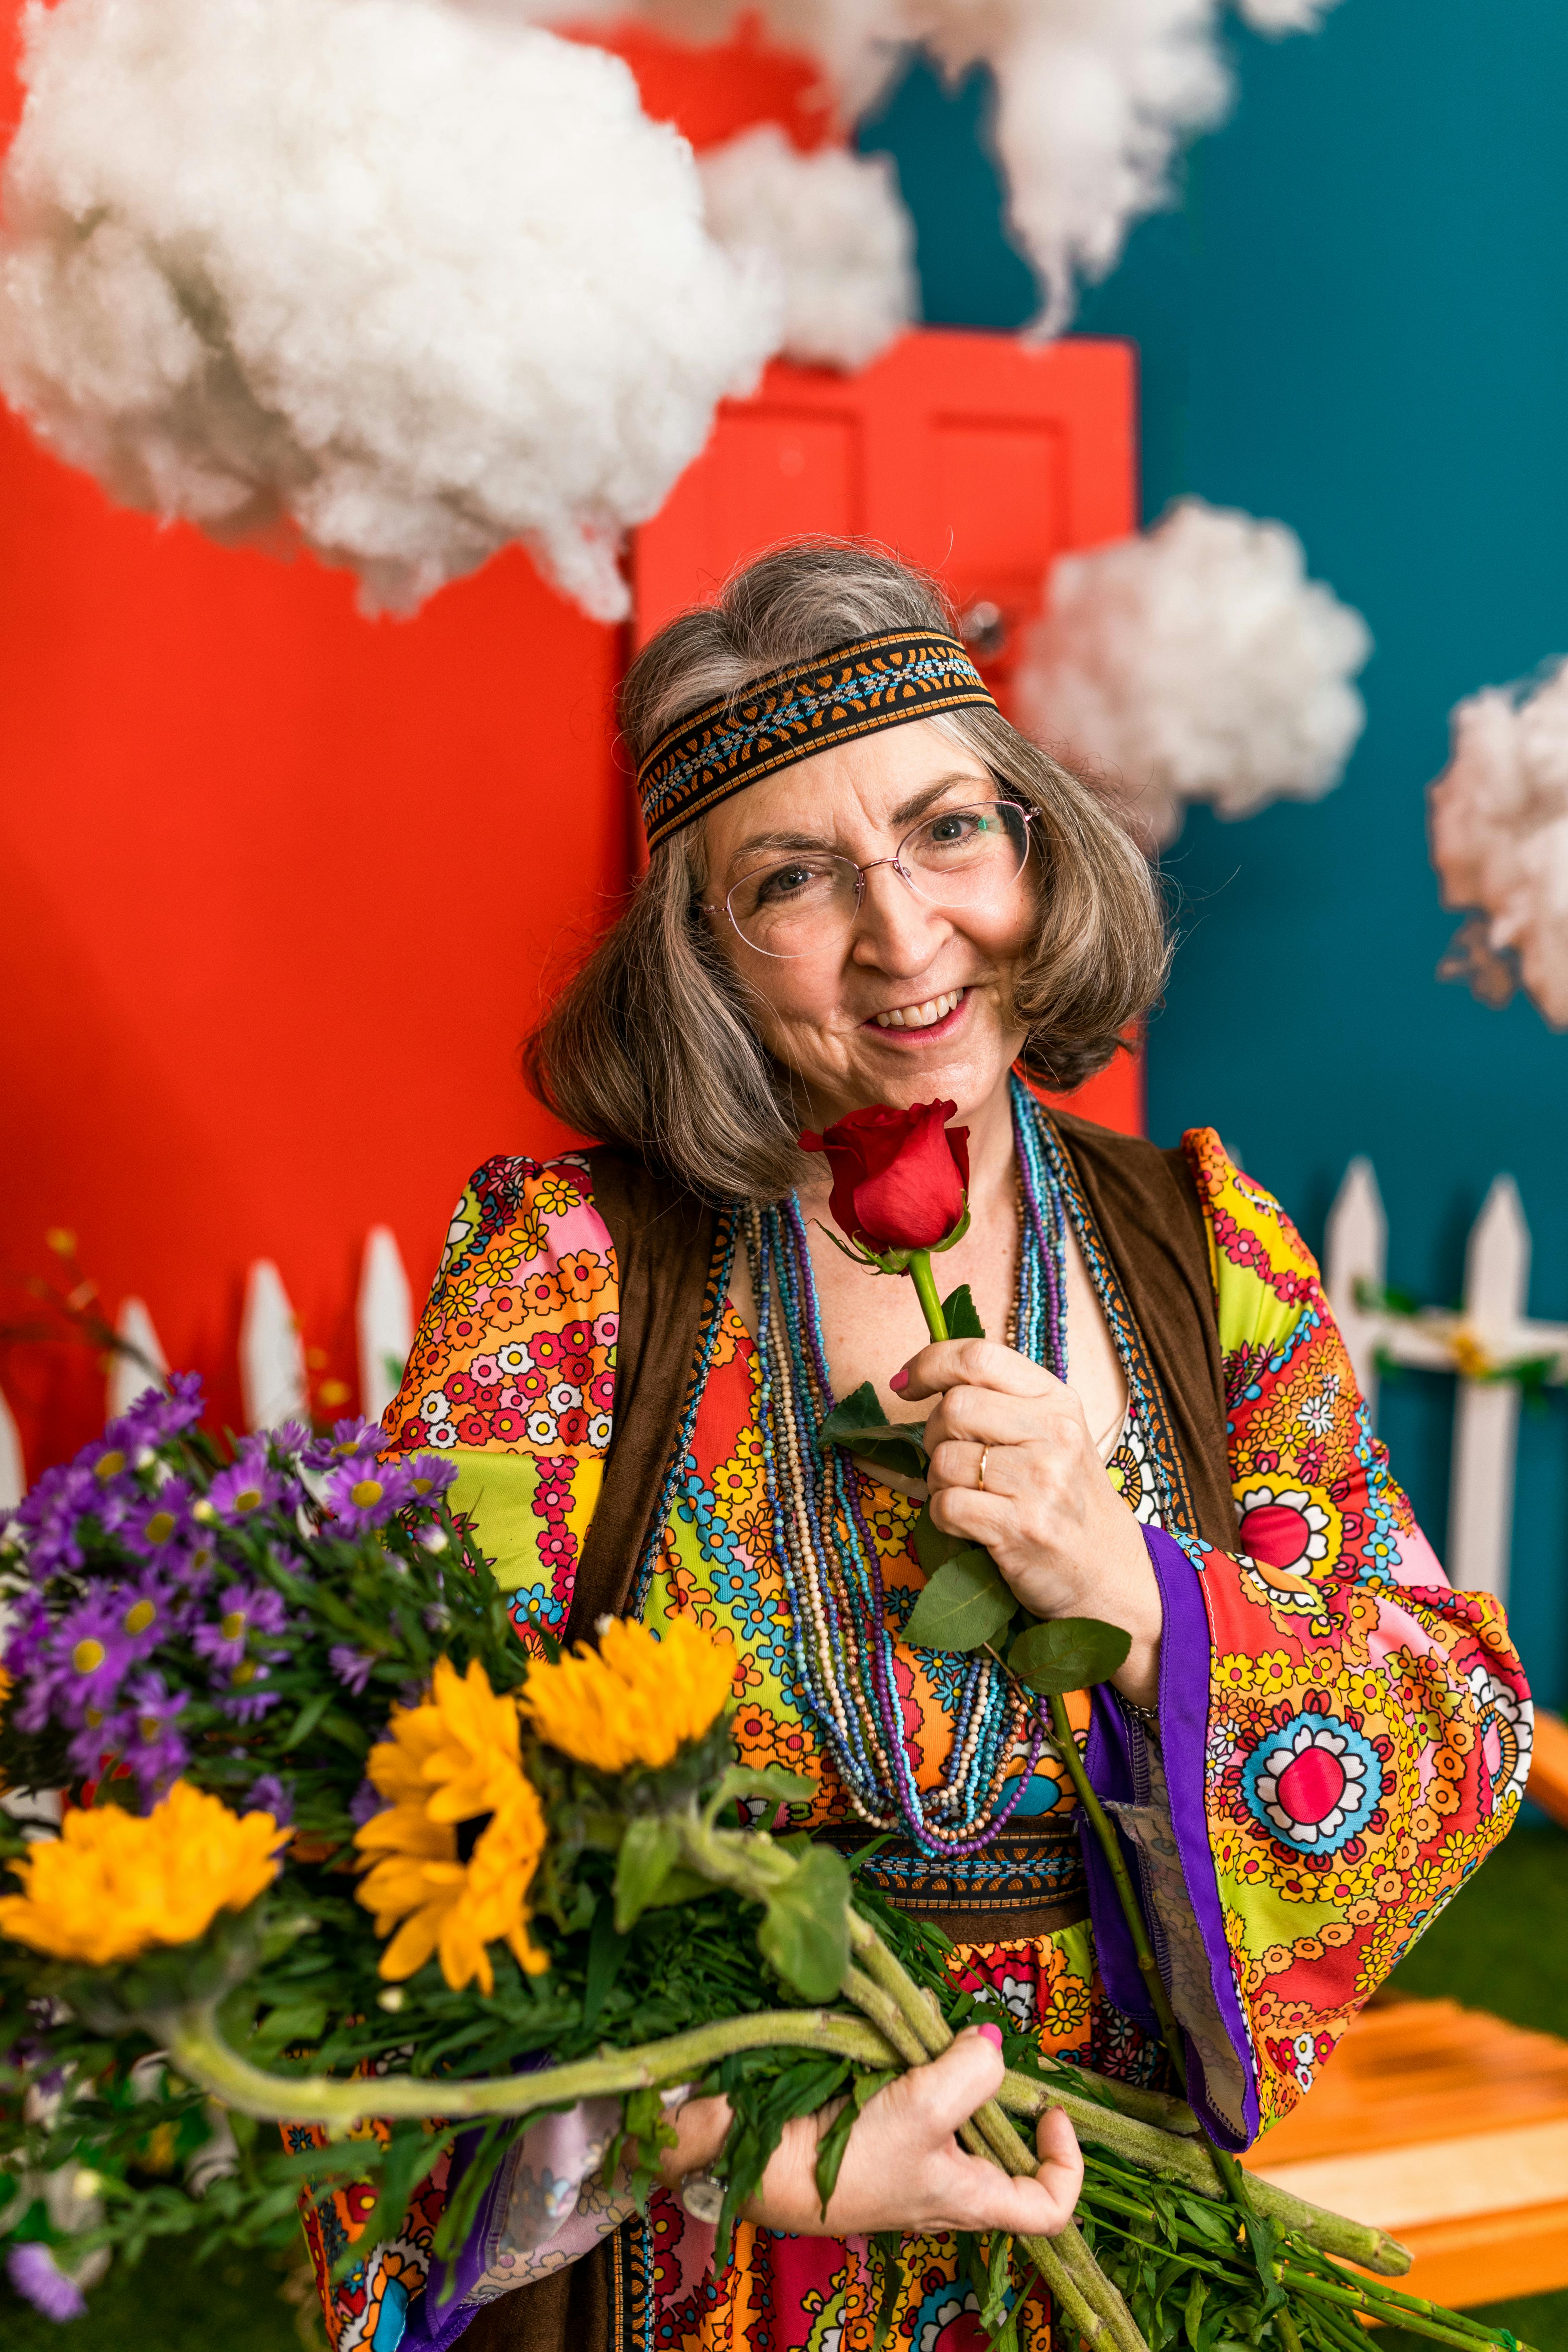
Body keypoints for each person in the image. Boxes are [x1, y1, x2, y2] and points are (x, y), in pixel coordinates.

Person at [301, 541, 1531, 2352]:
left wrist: (1133, 1588)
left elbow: (1455, 1717)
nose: (903, 934)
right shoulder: (576, 1278)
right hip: (706, 2256)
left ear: (1037, 844)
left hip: (1103, 2222)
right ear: (704, 948)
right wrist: (721, 2137)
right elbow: (365, 1783)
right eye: (795, 877)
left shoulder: (1206, 1249)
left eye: (952, 830)